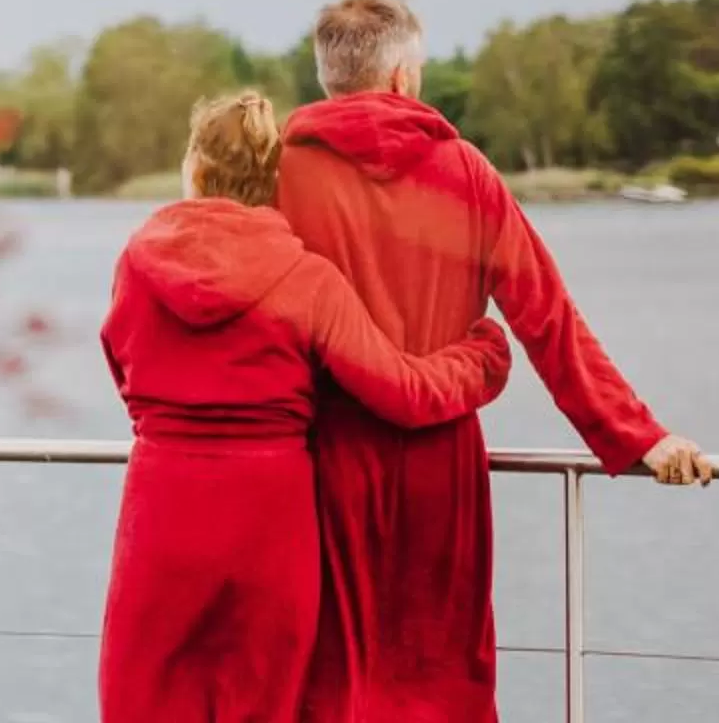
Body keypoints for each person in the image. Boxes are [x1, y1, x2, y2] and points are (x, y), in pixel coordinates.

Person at [280, 0, 716, 720]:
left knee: (333, 678)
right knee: (441, 674)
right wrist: (638, 436)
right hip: (440, 463)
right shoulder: (465, 173)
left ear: (329, 77)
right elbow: (547, 320)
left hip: (325, 459)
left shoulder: (280, 176)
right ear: (402, 80)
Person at [98, 91, 515, 723]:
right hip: (270, 520)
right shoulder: (305, 277)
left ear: (196, 170)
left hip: (163, 509)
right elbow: (403, 392)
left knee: (145, 700)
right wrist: (481, 356)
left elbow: (122, 361)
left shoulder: (139, 261)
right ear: (270, 182)